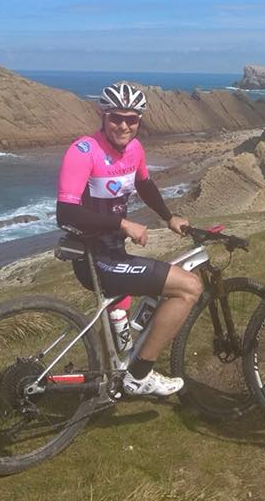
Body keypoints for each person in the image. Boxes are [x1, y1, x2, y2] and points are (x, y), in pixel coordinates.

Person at [55, 82, 201, 397]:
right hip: (96, 259)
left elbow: (144, 184)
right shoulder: (84, 151)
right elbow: (66, 213)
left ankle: (119, 372)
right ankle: (139, 376)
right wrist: (122, 223)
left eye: (131, 119)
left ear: (139, 120)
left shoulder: (134, 149)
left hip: (114, 255)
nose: (123, 125)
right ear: (103, 116)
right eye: (116, 118)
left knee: (122, 310)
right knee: (190, 287)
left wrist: (168, 217)